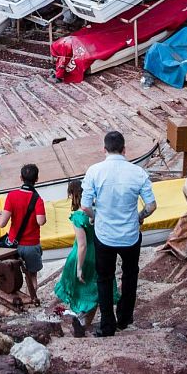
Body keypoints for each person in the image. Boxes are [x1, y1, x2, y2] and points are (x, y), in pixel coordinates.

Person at [82, 129, 155, 337]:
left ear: (104, 150)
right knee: (130, 275)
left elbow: (85, 206)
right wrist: (140, 216)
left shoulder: (94, 171)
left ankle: (107, 325)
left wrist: (95, 215)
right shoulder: (138, 173)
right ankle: (124, 318)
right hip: (130, 234)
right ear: (124, 150)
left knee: (104, 278)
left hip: (105, 234)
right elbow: (151, 205)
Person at [0, 162, 47, 307]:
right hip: (31, 245)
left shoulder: (12, 196)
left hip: (13, 245)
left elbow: (2, 223)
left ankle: (13, 299)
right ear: (37, 179)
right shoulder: (38, 199)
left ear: (21, 178)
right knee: (32, 275)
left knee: (10, 274)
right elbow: (41, 221)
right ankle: (32, 299)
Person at [52, 178, 99, 337]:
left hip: (82, 256)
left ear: (73, 195)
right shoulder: (97, 211)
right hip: (98, 254)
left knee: (79, 290)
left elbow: (82, 245)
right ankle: (85, 323)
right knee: (94, 290)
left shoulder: (78, 217)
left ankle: (80, 320)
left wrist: (79, 267)